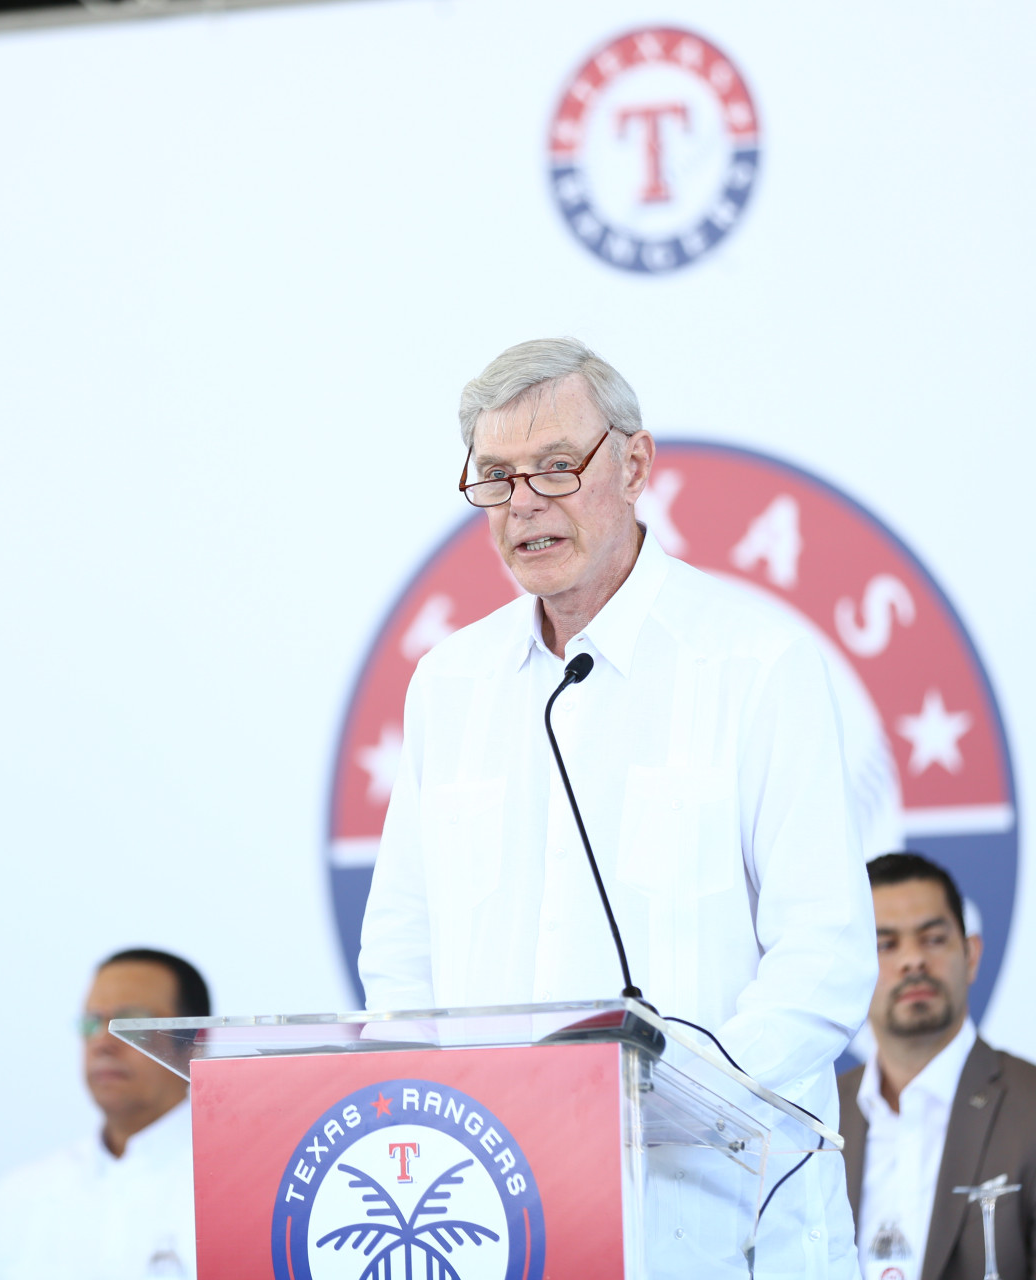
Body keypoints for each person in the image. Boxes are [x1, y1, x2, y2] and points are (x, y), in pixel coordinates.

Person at [357, 338, 877, 1278]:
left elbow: (825, 954)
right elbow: (402, 950)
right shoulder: (450, 683)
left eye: (557, 467)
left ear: (634, 466)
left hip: (718, 1221)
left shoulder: (756, 663)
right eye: (497, 477)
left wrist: (675, 1097)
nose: (524, 503)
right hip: (507, 1212)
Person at [836, 854, 1036, 1280]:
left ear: (971, 955)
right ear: (850, 969)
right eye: (885, 945)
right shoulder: (815, 1119)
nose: (912, 960)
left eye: (933, 939)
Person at [0, 948, 209, 1280]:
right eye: (92, 1022)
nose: (103, 1042)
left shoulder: (239, 1182)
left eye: (132, 1022)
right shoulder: (24, 1194)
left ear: (196, 1041)